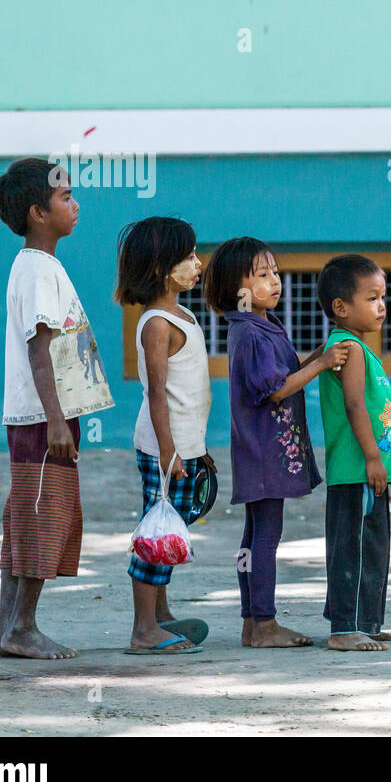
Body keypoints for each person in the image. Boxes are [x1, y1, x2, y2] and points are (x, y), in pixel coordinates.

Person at [0, 158, 114, 659]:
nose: (76, 204)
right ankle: (21, 627)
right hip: (45, 420)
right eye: (65, 198)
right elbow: (39, 350)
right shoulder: (38, 270)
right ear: (39, 212)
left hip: (41, 418)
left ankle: (6, 629)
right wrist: (58, 420)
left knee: (26, 515)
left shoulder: (40, 266)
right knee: (45, 516)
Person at [202, 237, 349, 648]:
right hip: (265, 451)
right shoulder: (251, 333)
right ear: (238, 288)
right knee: (266, 535)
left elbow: (283, 374)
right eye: (262, 275)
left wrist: (317, 354)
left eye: (275, 273)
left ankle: (252, 623)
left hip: (260, 450)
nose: (275, 281)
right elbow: (276, 390)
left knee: (254, 534)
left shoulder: (261, 326)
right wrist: (321, 364)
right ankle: (264, 624)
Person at [115, 216, 214, 655]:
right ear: (159, 269)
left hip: (184, 446)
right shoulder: (157, 323)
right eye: (188, 257)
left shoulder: (184, 313)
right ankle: (143, 630)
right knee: (155, 533)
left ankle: (161, 614)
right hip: (162, 448)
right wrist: (170, 453)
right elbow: (156, 393)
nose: (199, 263)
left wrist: (198, 451)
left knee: (171, 527)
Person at [316, 255, 391, 653]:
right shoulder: (347, 346)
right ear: (341, 308)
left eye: (382, 296)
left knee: (373, 547)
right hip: (355, 470)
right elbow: (355, 406)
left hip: (368, 472)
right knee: (350, 548)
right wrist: (372, 458)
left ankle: (366, 622)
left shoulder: (360, 349)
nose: (381, 305)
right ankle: (343, 628)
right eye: (372, 297)